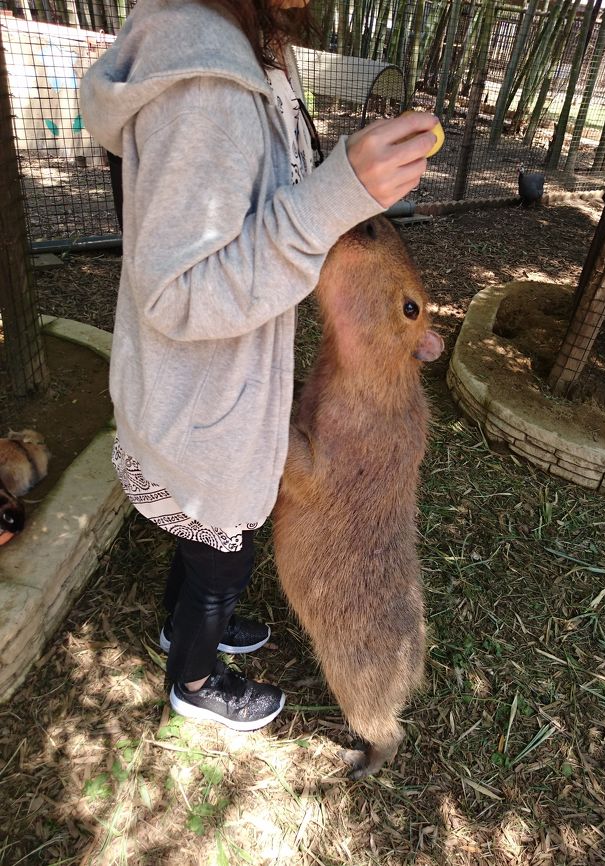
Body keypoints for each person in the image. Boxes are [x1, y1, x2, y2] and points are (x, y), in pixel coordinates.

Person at [79, 0, 438, 733]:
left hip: (209, 395)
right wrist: (338, 196)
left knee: (208, 544)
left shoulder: (253, 44)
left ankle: (186, 625)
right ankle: (196, 677)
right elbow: (181, 292)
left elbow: (243, 206)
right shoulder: (207, 77)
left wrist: (340, 177)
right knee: (224, 561)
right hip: (205, 410)